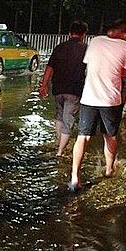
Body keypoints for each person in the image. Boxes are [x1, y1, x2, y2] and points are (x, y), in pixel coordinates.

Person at [68, 19, 126, 191]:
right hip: (111, 100)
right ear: (125, 32)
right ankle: (109, 169)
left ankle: (75, 177)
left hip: (89, 98)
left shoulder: (95, 41)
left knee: (83, 136)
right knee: (110, 136)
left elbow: (88, 64)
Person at [38, 21, 88, 157]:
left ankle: (58, 142)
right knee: (68, 120)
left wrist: (43, 86)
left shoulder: (59, 47)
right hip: (74, 89)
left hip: (58, 88)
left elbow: (49, 68)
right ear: (84, 34)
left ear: (70, 33)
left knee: (59, 116)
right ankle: (60, 153)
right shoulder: (86, 49)